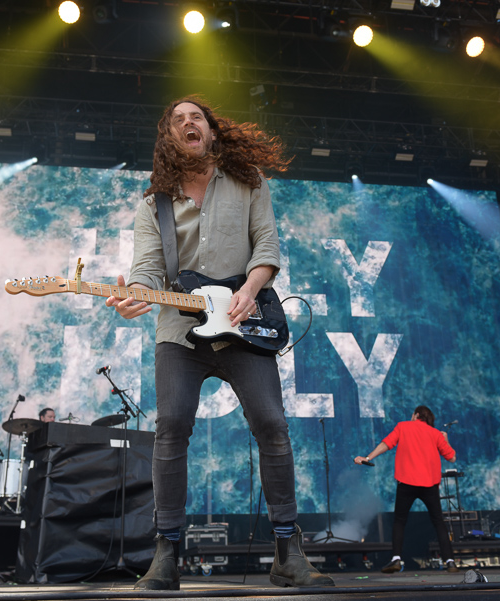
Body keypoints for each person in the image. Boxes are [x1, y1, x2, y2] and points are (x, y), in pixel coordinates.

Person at [105, 96, 333, 590]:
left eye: (197, 117)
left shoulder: (249, 181)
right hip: (179, 333)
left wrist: (250, 289)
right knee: (171, 428)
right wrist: (135, 293)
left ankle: (287, 551)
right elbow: (148, 268)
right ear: (170, 137)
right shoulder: (154, 204)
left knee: (272, 425)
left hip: (243, 325)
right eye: (178, 120)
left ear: (211, 130)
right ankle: (166, 554)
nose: (188, 122)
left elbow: (266, 246)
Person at [354, 406, 458, 574]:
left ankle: (396, 558)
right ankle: (450, 561)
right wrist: (445, 440)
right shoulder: (435, 434)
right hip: (430, 484)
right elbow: (452, 457)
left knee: (400, 521)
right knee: (438, 522)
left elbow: (386, 444)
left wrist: (367, 458)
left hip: (407, 482)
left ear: (416, 415)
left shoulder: (403, 426)